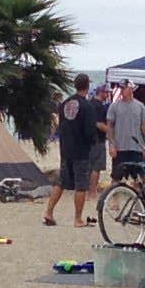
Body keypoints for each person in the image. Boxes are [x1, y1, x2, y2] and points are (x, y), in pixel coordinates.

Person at [47, 73, 100, 226]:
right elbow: (90, 131)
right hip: (81, 151)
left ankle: (48, 212)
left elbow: (61, 127)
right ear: (87, 86)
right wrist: (92, 142)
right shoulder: (87, 106)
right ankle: (77, 219)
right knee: (81, 185)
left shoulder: (64, 104)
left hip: (66, 149)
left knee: (61, 182)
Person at [106, 80, 145, 185]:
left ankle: (137, 199)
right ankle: (113, 200)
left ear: (131, 89)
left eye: (124, 88)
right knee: (116, 177)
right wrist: (111, 145)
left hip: (136, 147)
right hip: (120, 148)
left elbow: (144, 125)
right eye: (121, 88)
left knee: (138, 177)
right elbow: (110, 127)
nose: (122, 90)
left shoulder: (140, 106)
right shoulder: (114, 106)